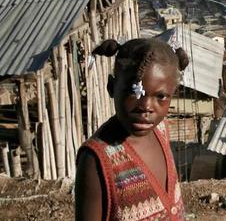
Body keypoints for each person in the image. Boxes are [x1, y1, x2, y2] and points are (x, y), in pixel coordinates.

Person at [75, 38, 189, 220]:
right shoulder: (97, 161)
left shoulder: (161, 130)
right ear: (111, 87)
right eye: (133, 93)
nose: (146, 106)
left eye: (161, 96)